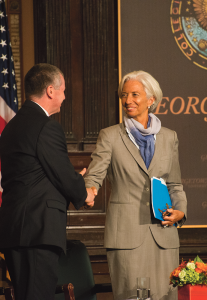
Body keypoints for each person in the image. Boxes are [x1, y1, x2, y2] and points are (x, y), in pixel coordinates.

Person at [84, 71, 187, 300]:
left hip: (164, 235)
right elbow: (94, 176)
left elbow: (175, 184)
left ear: (151, 100)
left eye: (134, 94)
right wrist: (89, 190)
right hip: (126, 237)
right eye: (124, 95)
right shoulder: (109, 136)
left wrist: (180, 211)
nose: (127, 100)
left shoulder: (170, 137)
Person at [0, 63, 95, 300]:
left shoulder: (11, 127)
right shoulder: (46, 127)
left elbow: (36, 174)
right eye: (63, 90)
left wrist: (74, 181)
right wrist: (84, 192)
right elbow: (62, 174)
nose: (64, 97)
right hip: (37, 231)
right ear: (51, 90)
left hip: (16, 231)